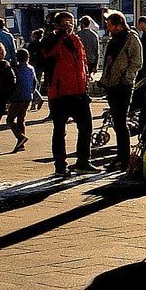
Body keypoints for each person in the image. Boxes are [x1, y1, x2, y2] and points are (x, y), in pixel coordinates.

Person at [38, 11, 97, 176]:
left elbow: (82, 62)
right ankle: (60, 166)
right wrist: (60, 36)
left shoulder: (76, 40)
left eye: (70, 23)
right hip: (60, 93)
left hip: (79, 92)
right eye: (64, 23)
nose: (68, 27)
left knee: (86, 128)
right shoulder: (51, 40)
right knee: (59, 131)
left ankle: (83, 162)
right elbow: (47, 53)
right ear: (57, 25)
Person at [98, 11, 144, 171]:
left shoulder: (131, 39)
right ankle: (120, 156)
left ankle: (124, 158)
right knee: (117, 122)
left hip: (123, 86)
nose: (107, 27)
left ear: (118, 25)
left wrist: (127, 79)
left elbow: (136, 62)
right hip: (111, 85)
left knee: (121, 122)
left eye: (109, 24)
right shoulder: (114, 40)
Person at [6, 48, 35, 151]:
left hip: (18, 96)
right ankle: (20, 144)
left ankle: (20, 137)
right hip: (28, 97)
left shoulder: (16, 69)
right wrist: (32, 93)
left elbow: (13, 83)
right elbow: (34, 82)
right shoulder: (31, 68)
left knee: (10, 119)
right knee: (21, 120)